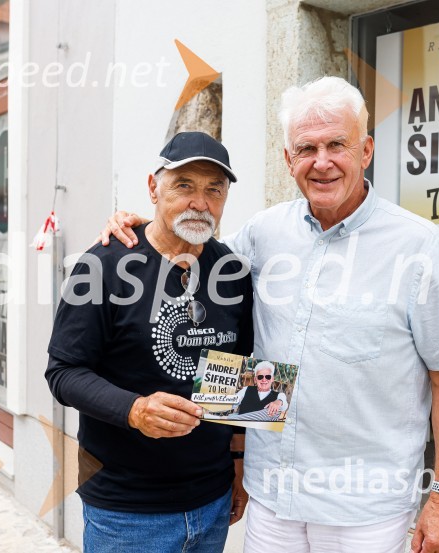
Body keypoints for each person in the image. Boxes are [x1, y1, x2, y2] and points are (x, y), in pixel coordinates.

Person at [99, 77, 439, 553]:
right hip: (272, 497)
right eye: (307, 148)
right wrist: (138, 226)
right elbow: (191, 266)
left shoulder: (418, 245)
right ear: (288, 160)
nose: (322, 162)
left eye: (337, 144)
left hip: (364, 509)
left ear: (365, 151)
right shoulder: (264, 233)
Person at [46, 131, 254, 553]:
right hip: (126, 513)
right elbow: (63, 373)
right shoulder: (103, 265)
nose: (200, 202)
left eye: (214, 189)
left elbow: (236, 370)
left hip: (212, 501)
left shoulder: (232, 272)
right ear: (153, 189)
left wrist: (238, 464)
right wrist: (134, 409)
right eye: (184, 186)